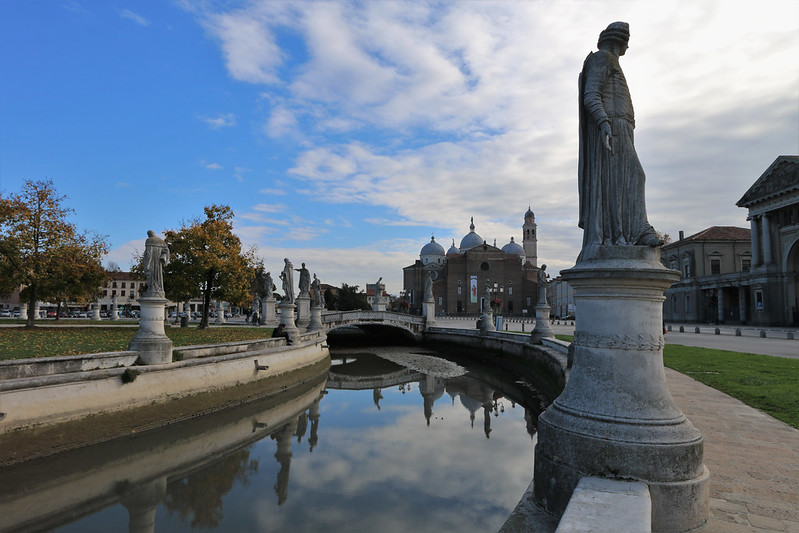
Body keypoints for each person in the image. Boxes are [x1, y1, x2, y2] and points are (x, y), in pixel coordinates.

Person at [577, 22, 662, 262]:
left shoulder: (608, 61)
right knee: (632, 178)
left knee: (623, 181)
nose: (628, 46)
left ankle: (629, 233)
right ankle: (634, 232)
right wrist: (604, 122)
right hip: (612, 126)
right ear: (619, 41)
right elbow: (591, 94)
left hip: (621, 127)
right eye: (627, 40)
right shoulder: (603, 59)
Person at [141, 230, 169, 297]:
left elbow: (148, 254)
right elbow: (166, 251)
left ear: (149, 235)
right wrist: (163, 257)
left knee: (151, 275)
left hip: (151, 261)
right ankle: (158, 289)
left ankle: (152, 289)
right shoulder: (162, 241)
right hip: (158, 262)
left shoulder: (149, 240)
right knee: (158, 275)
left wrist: (146, 264)